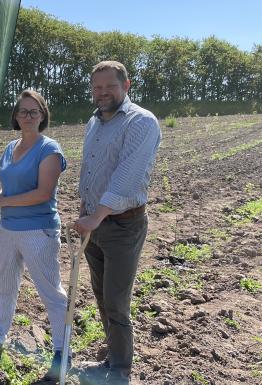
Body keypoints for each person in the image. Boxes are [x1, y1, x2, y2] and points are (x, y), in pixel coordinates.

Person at [72, 60, 161, 384]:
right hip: (94, 223)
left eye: (109, 86)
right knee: (100, 293)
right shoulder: (93, 123)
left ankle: (121, 369)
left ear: (126, 85)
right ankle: (112, 357)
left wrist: (95, 216)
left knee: (116, 301)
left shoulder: (141, 122)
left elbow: (126, 176)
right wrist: (84, 209)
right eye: (97, 87)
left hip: (122, 225)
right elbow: (90, 169)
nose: (102, 92)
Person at [0, 89, 69, 382]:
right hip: (8, 229)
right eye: (23, 111)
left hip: (38, 231)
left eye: (34, 112)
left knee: (51, 292)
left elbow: (42, 193)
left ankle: (61, 352)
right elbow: (10, 190)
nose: (28, 116)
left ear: (43, 116)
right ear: (16, 116)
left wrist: (1, 201)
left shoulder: (49, 150)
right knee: (5, 285)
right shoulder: (11, 146)